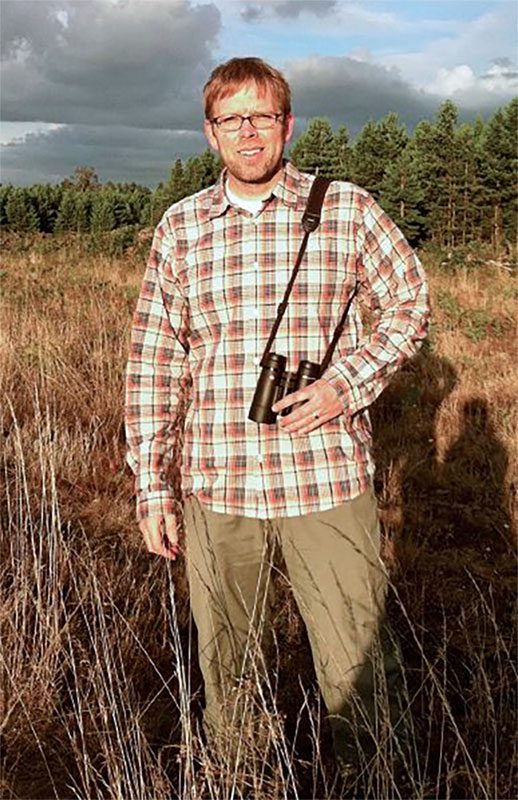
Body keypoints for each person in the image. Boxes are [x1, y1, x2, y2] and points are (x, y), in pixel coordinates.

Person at [125, 57, 430, 767]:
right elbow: (154, 362)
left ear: (287, 125)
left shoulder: (348, 208)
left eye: (262, 116)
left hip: (324, 477)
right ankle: (243, 778)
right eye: (232, 119)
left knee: (357, 661)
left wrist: (344, 385)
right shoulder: (181, 228)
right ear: (211, 135)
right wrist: (152, 487)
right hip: (218, 485)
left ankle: (380, 778)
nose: (249, 132)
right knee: (228, 670)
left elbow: (411, 303)